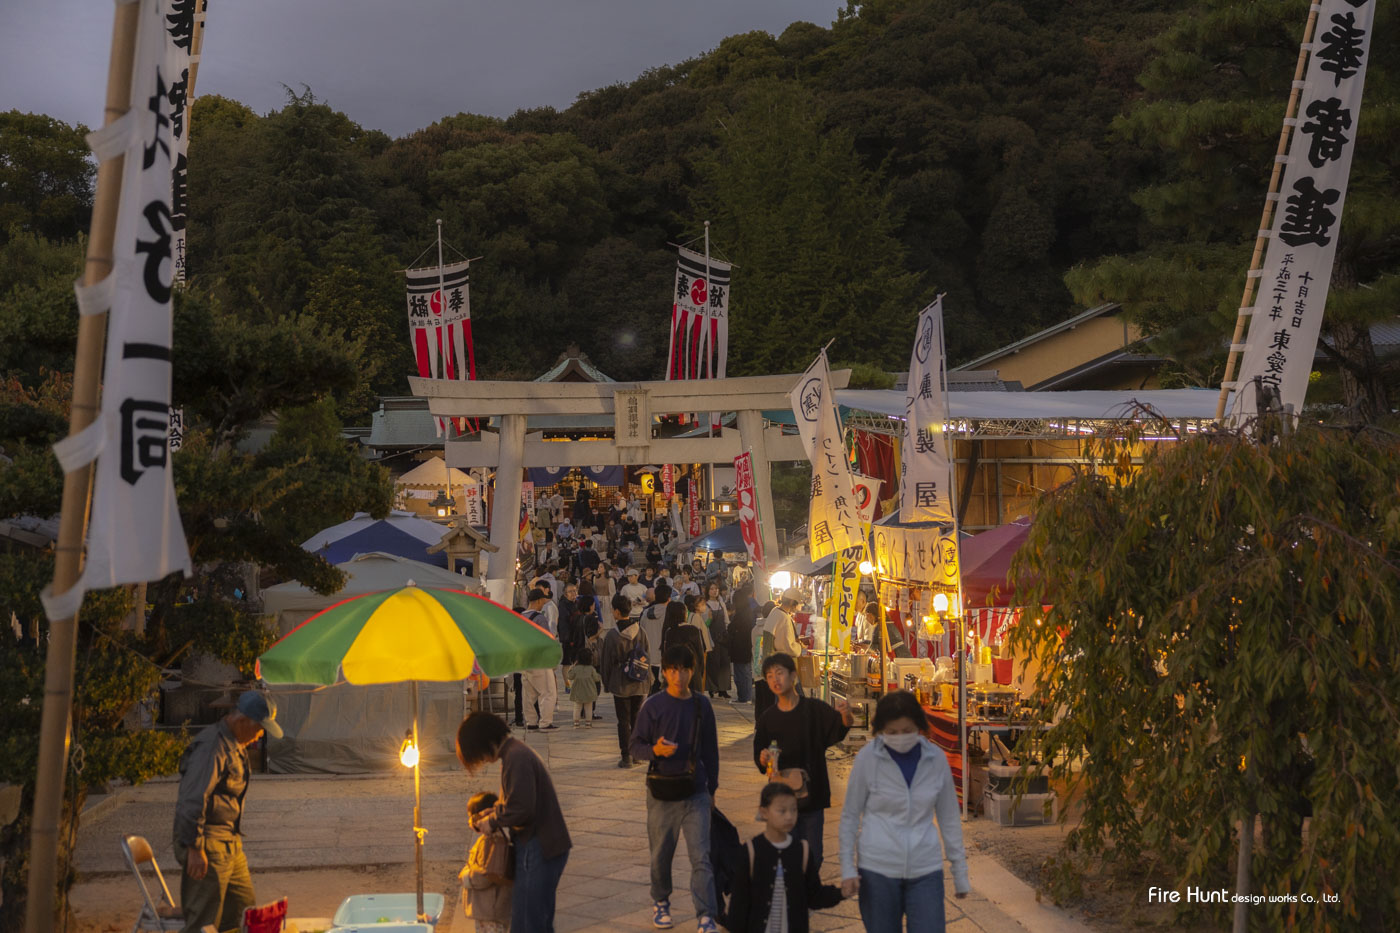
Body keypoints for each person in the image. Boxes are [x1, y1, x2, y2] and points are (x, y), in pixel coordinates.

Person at [838, 691, 968, 933]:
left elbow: (949, 818)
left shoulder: (935, 759)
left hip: (925, 868)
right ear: (880, 731)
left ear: (919, 727)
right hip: (878, 869)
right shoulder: (868, 759)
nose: (900, 738)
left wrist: (959, 872)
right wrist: (847, 867)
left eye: (907, 731)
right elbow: (850, 816)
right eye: (892, 733)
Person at [172, 691, 282, 933]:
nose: (261, 734)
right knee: (205, 921)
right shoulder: (212, 746)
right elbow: (192, 798)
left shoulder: (236, 743)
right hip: (206, 842)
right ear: (241, 720)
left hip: (229, 840)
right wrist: (195, 847)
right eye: (260, 728)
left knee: (243, 912)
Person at [630, 645, 721, 933]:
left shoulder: (701, 705)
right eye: (672, 670)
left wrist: (712, 789)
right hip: (661, 792)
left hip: (695, 791)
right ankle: (661, 901)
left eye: (684, 669)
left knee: (701, 856)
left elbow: (711, 751)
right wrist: (654, 750)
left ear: (692, 671)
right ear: (665, 671)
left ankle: (706, 914)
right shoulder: (653, 706)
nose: (678, 676)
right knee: (661, 853)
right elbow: (635, 746)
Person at [458, 711, 572, 932]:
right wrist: (492, 812)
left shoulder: (516, 758)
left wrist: (492, 822)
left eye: (478, 754)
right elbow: (516, 801)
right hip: (544, 845)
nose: (481, 760)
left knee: (527, 924)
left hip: (539, 846)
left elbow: (521, 809)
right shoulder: (515, 753)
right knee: (537, 920)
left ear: (485, 743)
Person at [753, 653, 853, 872]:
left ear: (793, 676)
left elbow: (838, 730)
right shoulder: (767, 718)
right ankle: (794, 899)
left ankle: (805, 894)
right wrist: (762, 759)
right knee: (786, 855)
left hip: (812, 796)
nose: (775, 680)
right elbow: (759, 754)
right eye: (769, 676)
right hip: (781, 798)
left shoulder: (814, 710)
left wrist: (846, 717)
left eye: (779, 673)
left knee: (813, 856)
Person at [727, 783, 843, 933]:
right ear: (764, 812)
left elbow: (814, 896)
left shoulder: (802, 851)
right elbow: (739, 906)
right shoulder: (751, 851)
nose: (789, 816)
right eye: (782, 811)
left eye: (793, 810)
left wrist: (841, 893)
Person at [600, 594, 650, 768]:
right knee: (636, 719)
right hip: (639, 682)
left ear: (616, 611)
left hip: (620, 683)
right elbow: (647, 656)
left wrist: (606, 683)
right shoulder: (641, 631)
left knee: (623, 721)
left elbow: (606, 662)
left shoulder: (612, 636)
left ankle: (626, 756)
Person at [460, 791, 513, 933]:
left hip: (489, 910)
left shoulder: (490, 841)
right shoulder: (500, 837)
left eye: (471, 817)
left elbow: (485, 875)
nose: (470, 823)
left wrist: (466, 875)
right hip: (495, 908)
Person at [521, 587, 560, 731]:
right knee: (548, 692)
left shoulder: (520, 616)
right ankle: (545, 722)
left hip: (525, 661)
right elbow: (547, 639)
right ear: (538, 600)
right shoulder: (539, 618)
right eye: (543, 600)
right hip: (539, 660)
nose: (544, 602)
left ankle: (531, 722)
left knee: (528, 694)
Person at [662, 601, 708, 694]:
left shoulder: (669, 632)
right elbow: (700, 654)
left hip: (674, 677)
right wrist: (700, 673)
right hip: (693, 675)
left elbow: (665, 656)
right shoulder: (693, 630)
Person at [726, 583, 758, 704]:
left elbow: (734, 628)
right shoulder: (747, 612)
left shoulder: (741, 614)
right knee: (744, 672)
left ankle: (744, 697)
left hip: (740, 647)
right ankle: (744, 696)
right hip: (744, 646)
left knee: (742, 673)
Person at [639, 583, 673, 692]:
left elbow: (641, 634)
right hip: (663, 657)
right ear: (669, 598)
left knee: (650, 691)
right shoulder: (669, 613)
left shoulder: (645, 613)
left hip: (647, 656)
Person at [702, 580, 731, 698]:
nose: (715, 591)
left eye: (716, 589)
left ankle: (723, 689)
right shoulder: (705, 604)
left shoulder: (721, 603)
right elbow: (704, 623)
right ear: (708, 591)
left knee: (724, 662)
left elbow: (726, 620)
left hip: (722, 636)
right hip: (711, 636)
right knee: (712, 663)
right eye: (712, 589)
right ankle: (712, 688)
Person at [565, 646, 603, 727]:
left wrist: (572, 667)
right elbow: (596, 679)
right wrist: (599, 675)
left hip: (578, 692)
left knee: (577, 707)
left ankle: (576, 722)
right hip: (589, 692)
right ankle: (588, 723)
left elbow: (569, 676)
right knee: (588, 707)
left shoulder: (576, 669)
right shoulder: (591, 669)